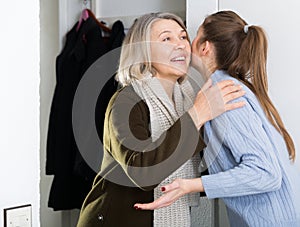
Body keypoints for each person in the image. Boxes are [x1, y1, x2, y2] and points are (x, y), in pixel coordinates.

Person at [76, 12, 245, 227]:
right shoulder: (125, 101)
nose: (180, 45)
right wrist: (197, 115)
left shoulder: (188, 98)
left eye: (183, 37)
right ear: (143, 52)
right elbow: (142, 171)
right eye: (167, 38)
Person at [135, 10, 300, 226]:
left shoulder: (223, 96)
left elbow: (265, 173)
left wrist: (191, 185)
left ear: (204, 47)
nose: (183, 44)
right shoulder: (227, 88)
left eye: (187, 36)